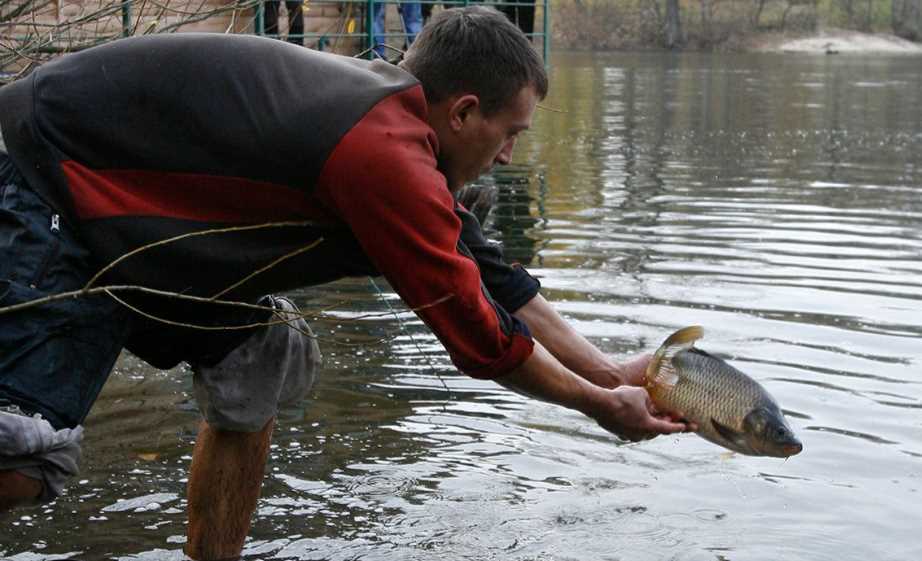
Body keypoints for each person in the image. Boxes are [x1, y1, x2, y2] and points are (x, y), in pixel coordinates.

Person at [0, 7, 689, 560]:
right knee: (26, 458)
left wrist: (608, 370)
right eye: (510, 133)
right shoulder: (383, 153)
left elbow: (495, 278)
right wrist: (598, 408)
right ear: (463, 112)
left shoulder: (395, 125)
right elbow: (482, 339)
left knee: (260, 351)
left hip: (141, 228)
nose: (509, 155)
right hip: (51, 182)